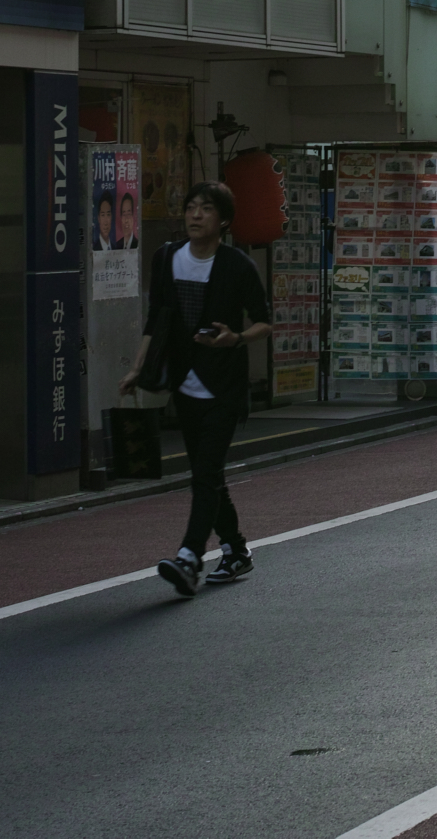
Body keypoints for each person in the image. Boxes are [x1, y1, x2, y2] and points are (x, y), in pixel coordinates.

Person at [119, 183, 271, 596]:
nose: (196, 215)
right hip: (184, 386)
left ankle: (189, 557)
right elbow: (157, 318)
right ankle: (236, 549)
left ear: (224, 220)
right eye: (190, 207)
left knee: (205, 472)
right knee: (208, 473)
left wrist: (236, 338)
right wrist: (136, 369)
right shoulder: (167, 257)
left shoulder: (238, 265)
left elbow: (264, 321)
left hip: (224, 386)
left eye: (205, 209)